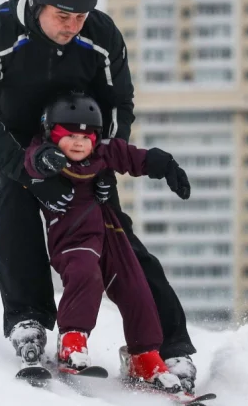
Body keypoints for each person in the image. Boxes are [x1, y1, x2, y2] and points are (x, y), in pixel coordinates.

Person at [0, 0, 198, 393]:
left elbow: (119, 105)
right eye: (63, 16)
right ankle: (29, 320)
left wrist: (102, 161)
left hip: (83, 148)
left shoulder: (101, 35)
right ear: (37, 3)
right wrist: (25, 171)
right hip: (20, 149)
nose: (73, 26)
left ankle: (164, 345)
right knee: (14, 218)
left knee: (117, 240)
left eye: (81, 17)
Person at [23, 92, 190, 392]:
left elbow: (132, 156)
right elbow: (32, 162)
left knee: (135, 285)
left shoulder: (101, 153)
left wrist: (164, 165)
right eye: (70, 135)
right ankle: (72, 340)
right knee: (86, 275)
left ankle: (144, 355)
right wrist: (43, 159)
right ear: (52, 134)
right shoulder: (47, 155)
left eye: (86, 137)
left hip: (110, 232)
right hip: (72, 237)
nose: (78, 143)